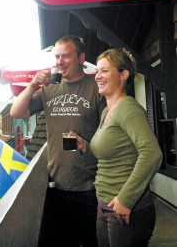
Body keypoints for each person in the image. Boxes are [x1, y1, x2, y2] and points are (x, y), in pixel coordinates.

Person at [10, 35, 103, 247]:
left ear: (81, 58)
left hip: (91, 187)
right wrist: (33, 85)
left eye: (66, 56)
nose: (60, 61)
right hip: (56, 186)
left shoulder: (96, 87)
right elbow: (17, 112)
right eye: (57, 56)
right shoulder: (49, 89)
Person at [78, 48, 162, 247]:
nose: (98, 76)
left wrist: (126, 199)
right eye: (97, 71)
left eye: (105, 71)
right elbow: (112, 152)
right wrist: (86, 146)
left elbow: (152, 153)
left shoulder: (128, 108)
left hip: (126, 210)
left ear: (123, 75)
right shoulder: (107, 110)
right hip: (105, 206)